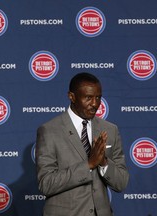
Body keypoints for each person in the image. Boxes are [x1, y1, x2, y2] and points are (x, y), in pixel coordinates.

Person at [35, 72, 129, 216]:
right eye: (88, 98)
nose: (95, 104)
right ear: (71, 97)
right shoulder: (49, 131)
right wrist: (88, 165)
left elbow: (121, 182)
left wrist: (103, 162)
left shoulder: (110, 129)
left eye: (98, 97)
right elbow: (46, 184)